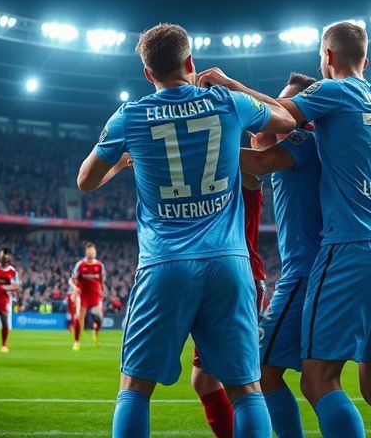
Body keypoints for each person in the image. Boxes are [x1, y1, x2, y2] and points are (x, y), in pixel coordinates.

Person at [197, 21, 371, 438]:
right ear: (366, 59)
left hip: (349, 253)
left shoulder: (325, 103)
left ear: (327, 57)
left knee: (313, 379)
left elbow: (277, 122)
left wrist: (224, 90)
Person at [78, 23, 296, 438]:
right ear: (190, 62)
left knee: (135, 391)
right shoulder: (229, 103)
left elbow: (85, 180)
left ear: (147, 73)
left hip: (164, 264)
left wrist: (121, 165)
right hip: (230, 266)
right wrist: (232, 83)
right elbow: (286, 121)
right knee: (247, 390)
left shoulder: (131, 115)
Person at [239, 71, 323, 437]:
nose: (281, 112)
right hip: (320, 268)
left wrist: (199, 143)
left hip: (304, 271)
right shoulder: (312, 146)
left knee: (263, 369)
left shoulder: (304, 141)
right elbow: (260, 143)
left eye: (287, 105)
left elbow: (257, 159)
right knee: (319, 382)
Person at [190, 173, 268, 438]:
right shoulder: (214, 176)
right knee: (205, 379)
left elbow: (253, 174)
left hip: (243, 279)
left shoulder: (246, 173)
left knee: (243, 382)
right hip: (220, 279)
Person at [70, 242, 106, 349]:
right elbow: (72, 279)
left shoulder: (100, 265)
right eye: (90, 251)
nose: (92, 253)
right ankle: (76, 342)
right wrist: (75, 290)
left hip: (95, 295)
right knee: (79, 318)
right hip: (83, 295)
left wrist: (102, 291)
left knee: (99, 319)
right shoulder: (80, 265)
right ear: (86, 252)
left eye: (93, 251)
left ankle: (95, 333)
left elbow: (101, 280)